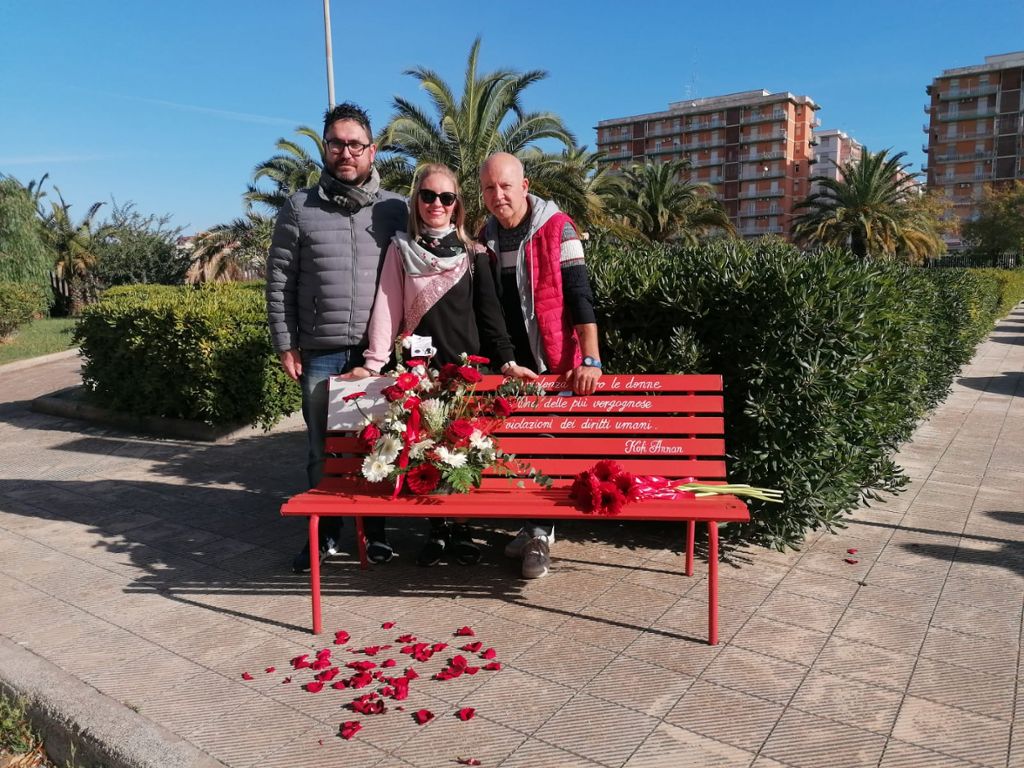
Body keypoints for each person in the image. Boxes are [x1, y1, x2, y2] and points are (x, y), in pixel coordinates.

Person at [347, 163, 537, 566]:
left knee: (462, 453)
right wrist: (373, 363)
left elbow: (491, 318)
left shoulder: (475, 254)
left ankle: (462, 529)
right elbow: (387, 307)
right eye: (428, 196)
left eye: (446, 197)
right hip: (421, 374)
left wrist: (506, 363)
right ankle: (437, 531)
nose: (437, 204)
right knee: (427, 453)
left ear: (457, 206)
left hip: (467, 375)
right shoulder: (400, 250)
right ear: (417, 201)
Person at [266, 102, 407, 574]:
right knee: (321, 448)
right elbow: (280, 281)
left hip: (378, 353)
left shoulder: (395, 209)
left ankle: (375, 533)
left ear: (372, 149)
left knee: (379, 444)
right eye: (336, 143)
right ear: (325, 148)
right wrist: (285, 342)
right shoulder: (299, 208)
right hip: (321, 352)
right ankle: (324, 534)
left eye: (354, 144)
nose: (345, 152)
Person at [478, 152, 603, 579]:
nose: (499, 195)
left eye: (506, 186)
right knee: (516, 448)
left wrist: (590, 359)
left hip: (554, 364)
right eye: (490, 188)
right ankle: (531, 527)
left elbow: (580, 296)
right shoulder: (486, 237)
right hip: (512, 366)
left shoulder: (558, 228)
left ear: (525, 186)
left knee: (543, 450)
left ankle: (539, 537)